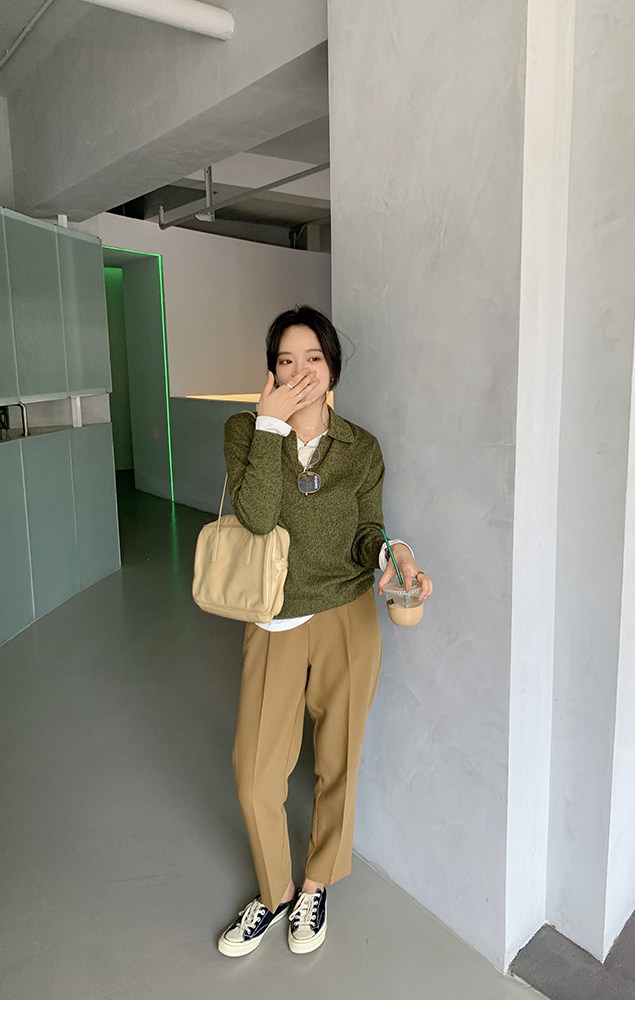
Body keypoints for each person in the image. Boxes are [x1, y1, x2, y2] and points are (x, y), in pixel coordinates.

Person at [217, 306, 433, 957]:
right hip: (275, 618)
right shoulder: (246, 431)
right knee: (255, 773)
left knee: (339, 759)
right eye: (286, 360)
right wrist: (271, 425)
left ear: (332, 366)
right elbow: (256, 518)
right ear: (271, 371)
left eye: (313, 357)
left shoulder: (361, 449)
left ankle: (315, 884)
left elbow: (368, 530)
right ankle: (275, 891)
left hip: (347, 614)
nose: (301, 371)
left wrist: (394, 554)